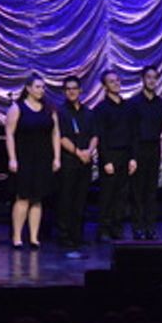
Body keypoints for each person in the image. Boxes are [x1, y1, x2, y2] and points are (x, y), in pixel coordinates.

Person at [5, 74, 60, 250]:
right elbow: (9, 134)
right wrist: (12, 158)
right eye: (38, 87)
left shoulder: (49, 109)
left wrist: (56, 157)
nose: (41, 90)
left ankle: (34, 237)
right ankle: (17, 236)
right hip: (24, 158)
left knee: (37, 199)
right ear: (28, 88)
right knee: (23, 198)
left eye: (43, 87)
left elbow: (55, 133)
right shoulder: (17, 108)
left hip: (43, 158)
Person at [56, 76, 97, 255]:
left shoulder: (89, 113)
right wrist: (78, 152)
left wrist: (89, 151)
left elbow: (95, 134)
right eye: (68, 89)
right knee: (66, 199)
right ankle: (64, 235)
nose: (72, 91)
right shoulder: (60, 112)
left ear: (81, 91)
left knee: (81, 200)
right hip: (69, 161)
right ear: (65, 92)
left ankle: (77, 235)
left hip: (86, 161)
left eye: (75, 88)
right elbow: (61, 137)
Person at [94, 69, 135, 242]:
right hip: (110, 155)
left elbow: (133, 133)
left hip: (125, 154)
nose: (116, 83)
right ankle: (103, 228)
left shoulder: (128, 107)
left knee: (122, 195)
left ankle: (117, 228)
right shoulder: (101, 109)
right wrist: (106, 160)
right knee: (107, 195)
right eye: (111, 81)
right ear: (105, 86)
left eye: (118, 80)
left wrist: (133, 157)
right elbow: (100, 135)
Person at [129, 65, 162, 240]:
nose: (152, 80)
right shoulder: (134, 103)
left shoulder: (161, 103)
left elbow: (160, 126)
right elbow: (132, 131)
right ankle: (137, 226)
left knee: (152, 190)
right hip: (138, 148)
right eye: (148, 77)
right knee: (137, 190)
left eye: (154, 77)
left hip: (154, 148)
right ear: (143, 79)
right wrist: (133, 156)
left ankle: (150, 227)